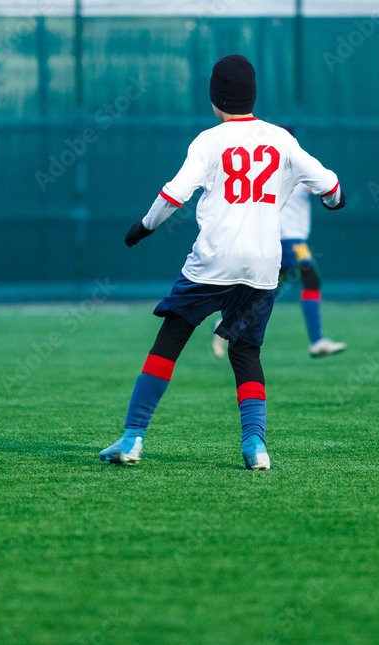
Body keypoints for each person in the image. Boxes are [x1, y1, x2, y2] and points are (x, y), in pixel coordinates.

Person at [100, 54, 345, 470]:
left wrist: (142, 228)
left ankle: (132, 439)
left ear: (215, 99)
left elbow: (173, 195)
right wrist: (334, 201)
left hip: (213, 262)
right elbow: (331, 186)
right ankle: (256, 448)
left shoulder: (208, 141)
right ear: (253, 94)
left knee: (168, 343)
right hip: (263, 266)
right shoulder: (281, 139)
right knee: (246, 353)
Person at [212, 125, 346, 359]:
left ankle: (227, 324)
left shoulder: (270, 167)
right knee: (311, 280)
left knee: (267, 293)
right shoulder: (297, 168)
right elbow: (326, 187)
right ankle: (316, 341)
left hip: (274, 240)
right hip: (289, 240)